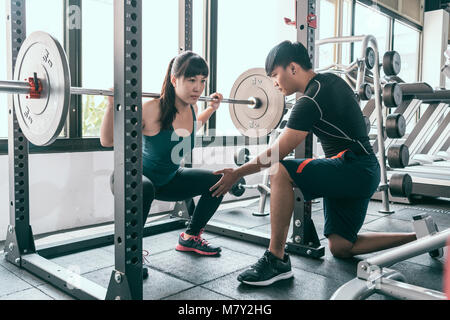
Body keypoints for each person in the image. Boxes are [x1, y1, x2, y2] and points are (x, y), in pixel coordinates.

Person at [209, 40, 417, 286]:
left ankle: (276, 259)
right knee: (341, 246)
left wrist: (237, 173)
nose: (274, 84)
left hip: (353, 168)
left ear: (293, 68)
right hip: (363, 170)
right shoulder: (331, 82)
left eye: (275, 75)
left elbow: (277, 153)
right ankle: (419, 237)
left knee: (280, 171)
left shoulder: (309, 101)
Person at [100, 51, 224, 256]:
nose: (198, 87)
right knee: (146, 187)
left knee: (219, 181)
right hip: (132, 179)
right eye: (191, 80)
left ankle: (191, 237)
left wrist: (211, 109)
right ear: (175, 80)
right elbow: (108, 140)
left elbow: (191, 129)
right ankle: (131, 253)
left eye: (202, 81)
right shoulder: (151, 108)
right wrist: (111, 105)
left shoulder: (191, 107)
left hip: (168, 181)